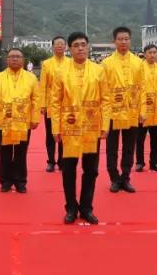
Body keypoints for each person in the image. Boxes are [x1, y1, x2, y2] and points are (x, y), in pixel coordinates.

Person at [51, 31, 106, 224]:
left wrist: (105, 125)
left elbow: (106, 100)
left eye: (83, 44)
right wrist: (55, 128)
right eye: (76, 45)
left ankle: (87, 208)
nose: (80, 48)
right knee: (69, 169)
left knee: (91, 169)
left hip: (92, 126)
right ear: (69, 49)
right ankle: (71, 208)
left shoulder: (99, 71)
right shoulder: (61, 72)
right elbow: (55, 102)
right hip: (69, 127)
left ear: (88, 46)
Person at [0, 48, 41, 193]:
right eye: (12, 56)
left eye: (18, 56)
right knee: (4, 152)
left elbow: (36, 100)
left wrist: (35, 118)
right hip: (3, 121)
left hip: (23, 121)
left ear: (23, 60)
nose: (15, 59)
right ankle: (5, 181)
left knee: (21, 152)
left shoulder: (31, 78)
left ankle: (20, 181)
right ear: (7, 60)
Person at [102, 26, 144, 193]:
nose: (123, 42)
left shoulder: (138, 62)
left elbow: (143, 87)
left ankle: (125, 177)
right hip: (112, 113)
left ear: (130, 40)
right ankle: (114, 178)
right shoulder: (106, 63)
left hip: (132, 111)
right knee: (111, 148)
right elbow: (103, 90)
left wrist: (143, 111)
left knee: (129, 146)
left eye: (126, 39)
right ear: (114, 41)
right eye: (120, 39)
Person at [39, 36, 71, 172]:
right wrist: (43, 104)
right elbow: (43, 85)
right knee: (51, 134)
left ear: (66, 47)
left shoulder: (71, 62)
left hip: (67, 104)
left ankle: (63, 161)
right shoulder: (46, 64)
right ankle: (51, 161)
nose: (59, 46)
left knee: (64, 133)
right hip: (51, 104)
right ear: (52, 47)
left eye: (62, 44)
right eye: (57, 44)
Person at [136, 44, 157, 172]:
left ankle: (154, 162)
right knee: (140, 138)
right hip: (142, 109)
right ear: (144, 54)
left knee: (155, 138)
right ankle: (139, 162)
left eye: (154, 52)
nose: (152, 55)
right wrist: (138, 110)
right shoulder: (139, 68)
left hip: (156, 108)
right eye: (150, 52)